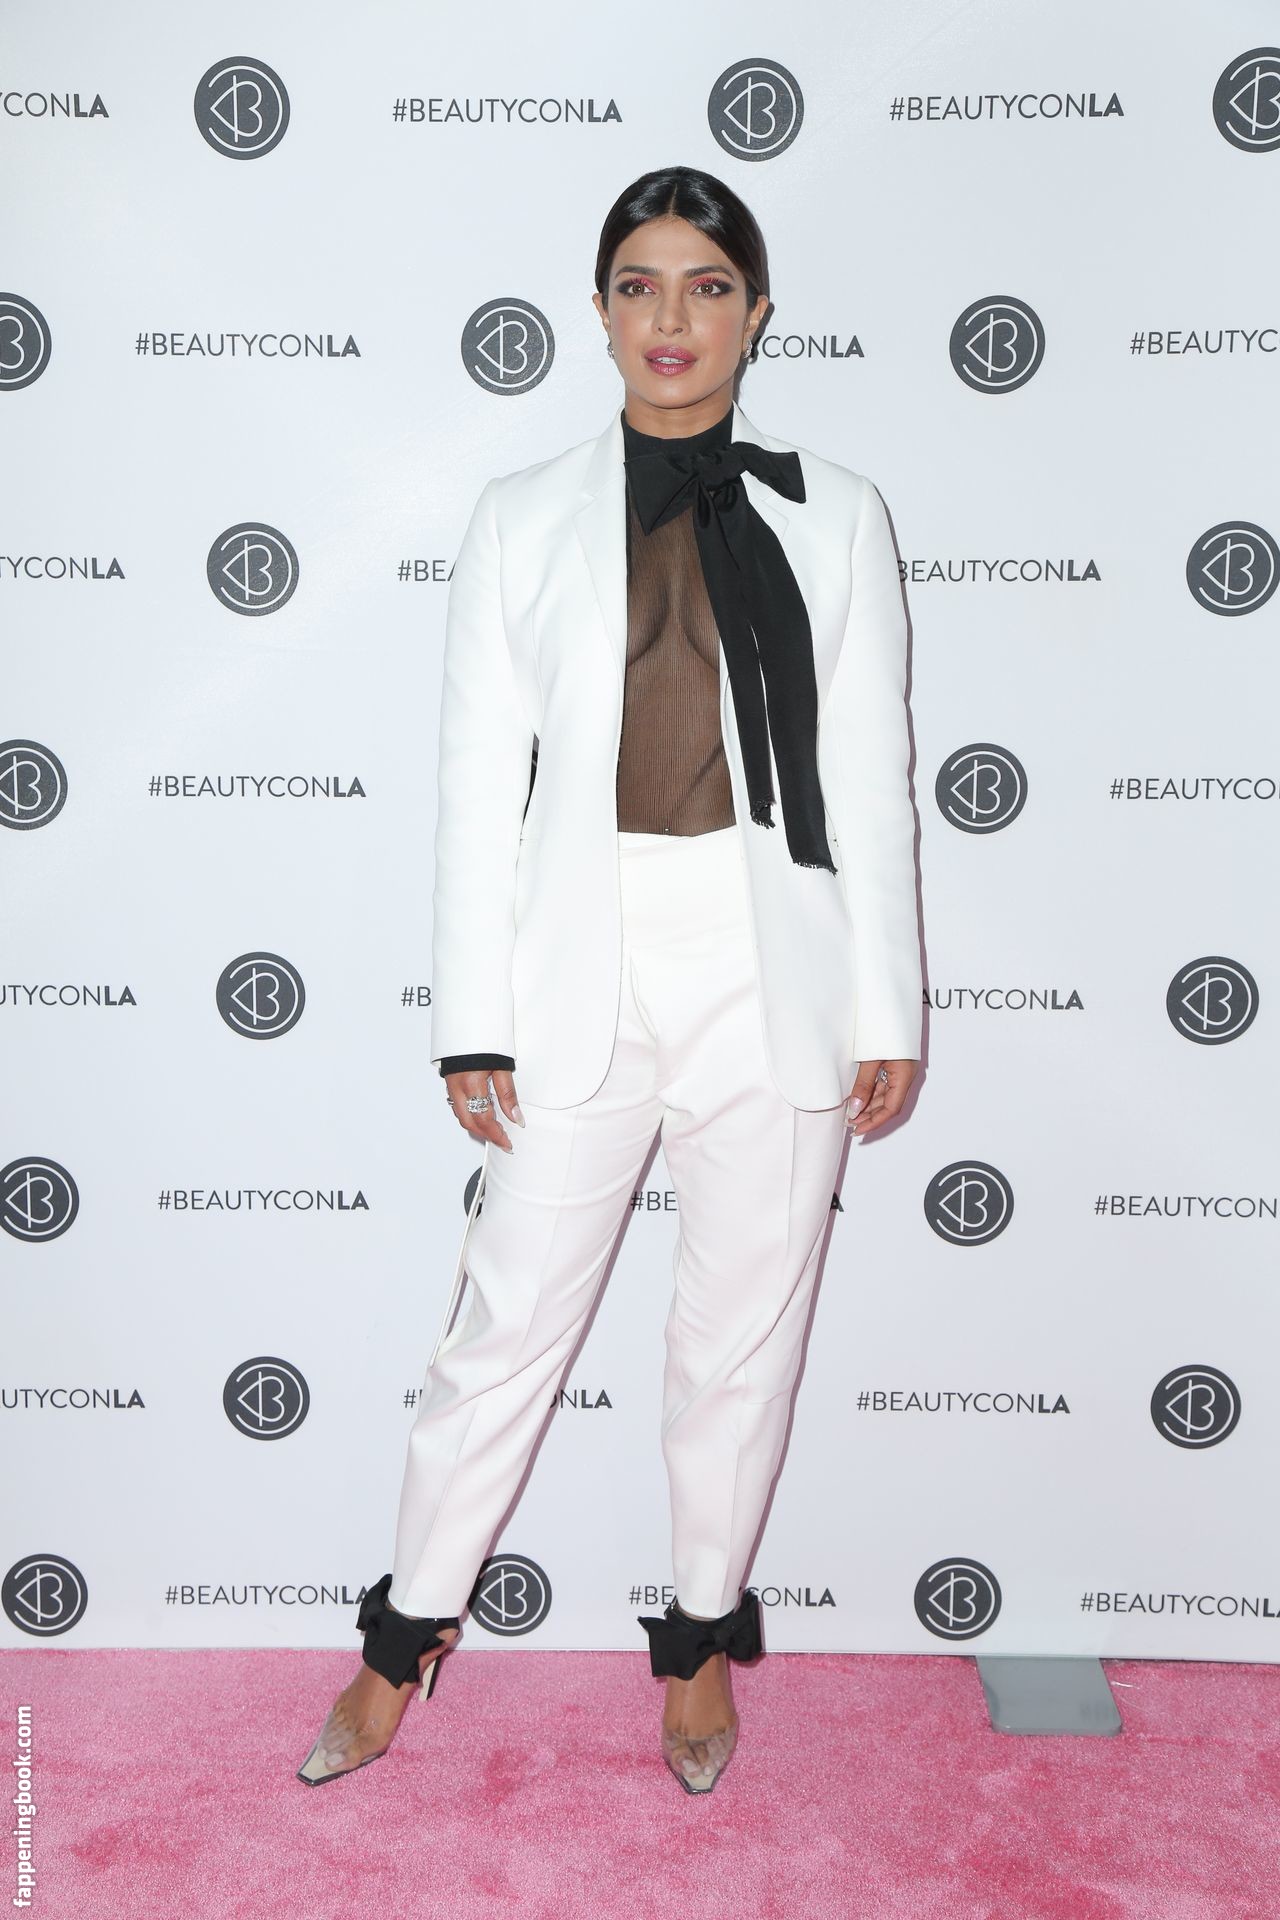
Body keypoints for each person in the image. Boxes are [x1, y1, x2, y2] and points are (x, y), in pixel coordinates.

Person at [296, 164, 922, 1798]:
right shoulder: (516, 517)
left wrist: (888, 1008)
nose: (672, 317)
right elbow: (473, 792)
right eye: (641, 284)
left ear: (757, 314)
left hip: (773, 969)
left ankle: (699, 1645)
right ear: (598, 310)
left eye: (708, 286)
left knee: (739, 1342)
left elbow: (869, 783)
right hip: (580, 954)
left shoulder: (840, 512)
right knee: (503, 1325)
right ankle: (400, 1642)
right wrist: (471, 1022)